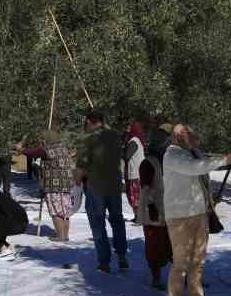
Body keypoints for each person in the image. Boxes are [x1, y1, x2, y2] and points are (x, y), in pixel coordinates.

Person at [162, 124, 224, 296]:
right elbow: (193, 169)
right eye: (184, 133)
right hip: (179, 217)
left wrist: (208, 200)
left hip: (199, 214)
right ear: (176, 136)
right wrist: (224, 159)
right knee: (180, 263)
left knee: (198, 261)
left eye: (189, 133)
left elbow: (199, 177)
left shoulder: (192, 154)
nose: (189, 136)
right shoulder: (172, 155)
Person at [77, 109, 129, 273]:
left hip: (96, 187)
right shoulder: (115, 136)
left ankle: (104, 261)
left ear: (89, 121)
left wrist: (77, 180)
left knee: (98, 223)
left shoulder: (89, 139)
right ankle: (122, 256)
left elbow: (81, 166)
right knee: (117, 221)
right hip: (114, 186)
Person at [136, 125, 174, 290]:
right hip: (155, 211)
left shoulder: (171, 161)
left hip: (173, 210)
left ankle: (183, 276)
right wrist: (149, 209)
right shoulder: (148, 163)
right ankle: (156, 277)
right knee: (155, 246)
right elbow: (145, 190)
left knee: (175, 244)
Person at [27, 137, 79, 241]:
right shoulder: (63, 149)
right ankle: (65, 236)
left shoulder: (49, 149)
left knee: (55, 212)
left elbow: (33, 152)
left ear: (46, 140)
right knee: (64, 212)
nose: (40, 143)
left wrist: (21, 150)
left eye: (42, 140)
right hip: (65, 186)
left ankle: (60, 236)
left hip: (54, 187)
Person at [123, 120, 148, 220]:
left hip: (136, 174)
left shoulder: (134, 141)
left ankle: (140, 217)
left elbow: (126, 156)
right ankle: (137, 216)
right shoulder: (135, 139)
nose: (127, 129)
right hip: (137, 172)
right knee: (135, 196)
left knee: (136, 197)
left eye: (129, 127)